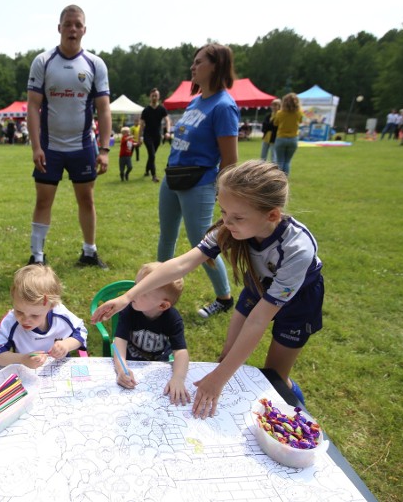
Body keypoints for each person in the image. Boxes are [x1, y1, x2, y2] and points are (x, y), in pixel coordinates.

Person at [94, 160, 324, 417]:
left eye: (237, 217)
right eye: (223, 211)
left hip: (299, 302)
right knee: (226, 356)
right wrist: (128, 296)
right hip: (259, 284)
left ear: (272, 215)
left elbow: (259, 320)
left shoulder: (297, 250)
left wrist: (218, 379)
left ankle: (297, 407)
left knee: (275, 376)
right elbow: (181, 264)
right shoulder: (231, 226)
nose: (227, 222)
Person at [26, 4, 112, 269]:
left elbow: (103, 108)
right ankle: (37, 256)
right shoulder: (43, 61)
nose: (72, 29)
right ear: (59, 28)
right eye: (68, 24)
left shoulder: (95, 64)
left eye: (77, 24)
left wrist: (105, 149)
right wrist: (36, 146)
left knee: (86, 199)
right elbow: (32, 106)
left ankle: (89, 252)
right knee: (43, 200)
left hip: (83, 145)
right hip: (50, 147)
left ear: (84, 29)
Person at [158, 43, 238, 320]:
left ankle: (224, 297)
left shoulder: (224, 106)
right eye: (193, 62)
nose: (193, 66)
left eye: (199, 62)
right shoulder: (196, 101)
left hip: (200, 182)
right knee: (165, 239)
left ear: (216, 66)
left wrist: (222, 192)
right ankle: (155, 292)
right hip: (172, 178)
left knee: (203, 244)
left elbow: (230, 158)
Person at [112, 262, 190, 405]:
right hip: (130, 364)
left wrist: (178, 378)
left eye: (142, 292)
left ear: (162, 305)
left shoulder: (172, 319)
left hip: (157, 367)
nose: (133, 293)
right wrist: (121, 368)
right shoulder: (129, 310)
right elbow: (119, 341)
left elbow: (180, 352)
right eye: (136, 285)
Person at [0, 264, 87, 367]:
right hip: (26, 373)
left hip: (59, 370)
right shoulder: (10, 322)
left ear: (51, 306)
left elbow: (81, 331)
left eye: (34, 315)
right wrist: (22, 359)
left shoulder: (60, 314)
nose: (25, 320)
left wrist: (67, 344)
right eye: (19, 312)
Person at [139, 88, 172, 183]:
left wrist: (168, 131)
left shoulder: (162, 109)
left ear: (158, 97)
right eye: (152, 95)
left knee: (151, 155)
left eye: (156, 96)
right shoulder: (146, 110)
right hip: (147, 136)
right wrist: (139, 138)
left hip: (157, 136)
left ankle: (146, 170)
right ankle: (154, 176)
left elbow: (167, 120)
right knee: (152, 155)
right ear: (150, 97)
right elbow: (141, 125)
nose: (154, 97)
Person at [273, 92, 303, 175]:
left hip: (281, 138)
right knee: (287, 162)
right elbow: (300, 121)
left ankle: (279, 180)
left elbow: (275, 123)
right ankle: (286, 180)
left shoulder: (280, 113)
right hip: (293, 139)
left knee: (280, 161)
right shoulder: (299, 112)